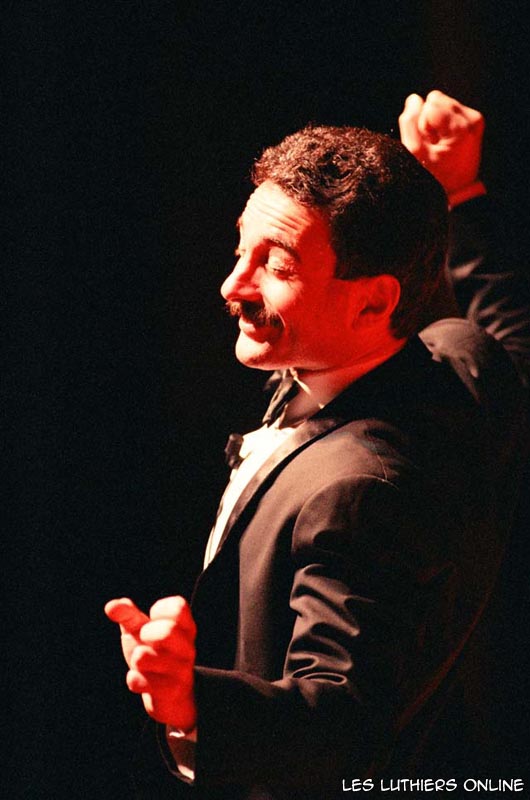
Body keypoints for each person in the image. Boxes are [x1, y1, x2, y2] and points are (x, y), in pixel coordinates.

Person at [105, 92, 526, 798]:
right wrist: (461, 195)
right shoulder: (461, 365)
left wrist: (191, 709)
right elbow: (512, 344)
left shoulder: (362, 493)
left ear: (374, 301)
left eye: (277, 265)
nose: (232, 285)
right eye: (241, 248)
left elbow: (344, 725)